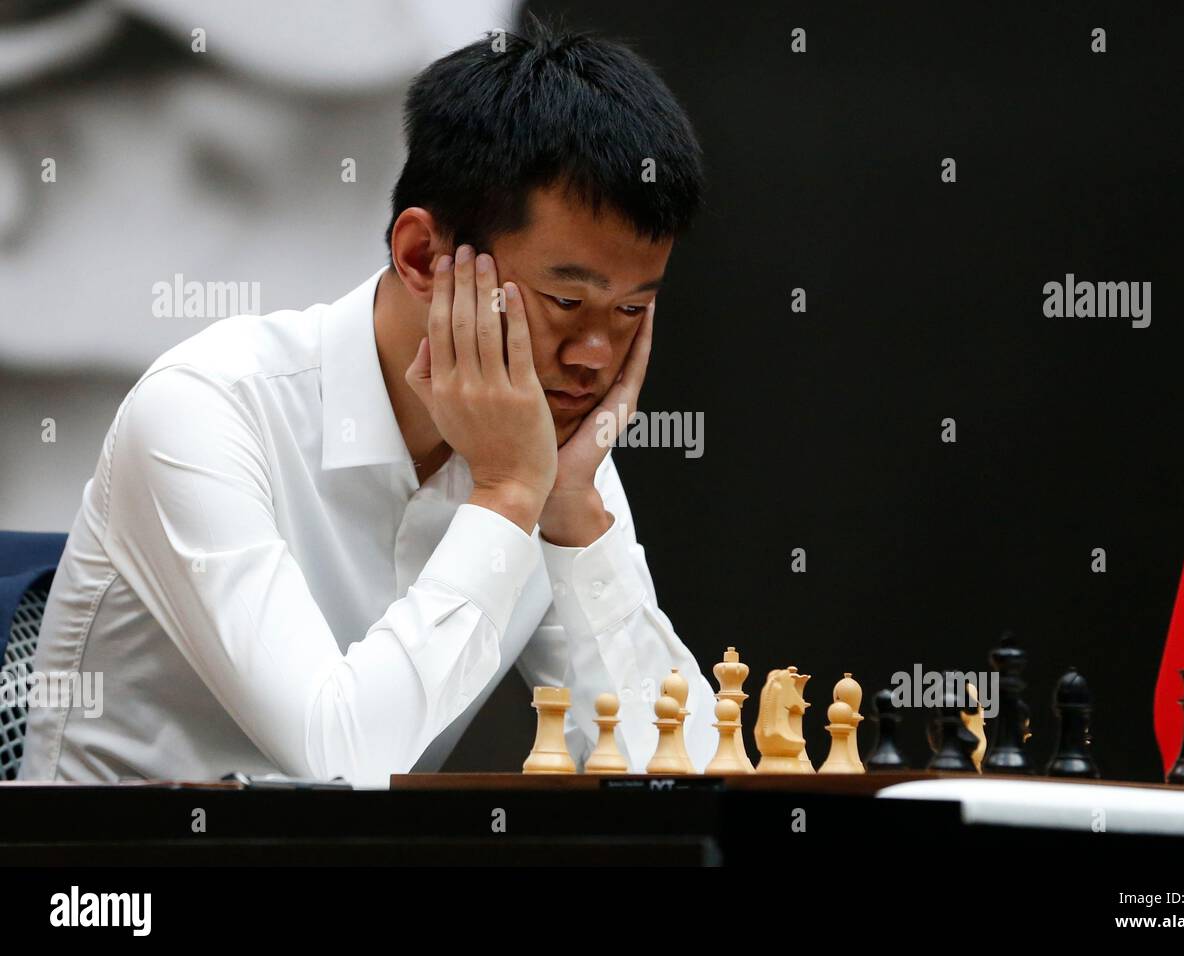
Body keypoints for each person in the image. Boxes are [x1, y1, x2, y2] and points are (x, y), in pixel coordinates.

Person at [19, 20, 715, 788]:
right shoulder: (206, 409)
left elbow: (685, 776)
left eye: (628, 315)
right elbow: (338, 758)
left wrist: (575, 514)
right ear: (422, 256)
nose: (593, 357)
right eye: (564, 300)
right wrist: (510, 496)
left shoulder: (548, 459)